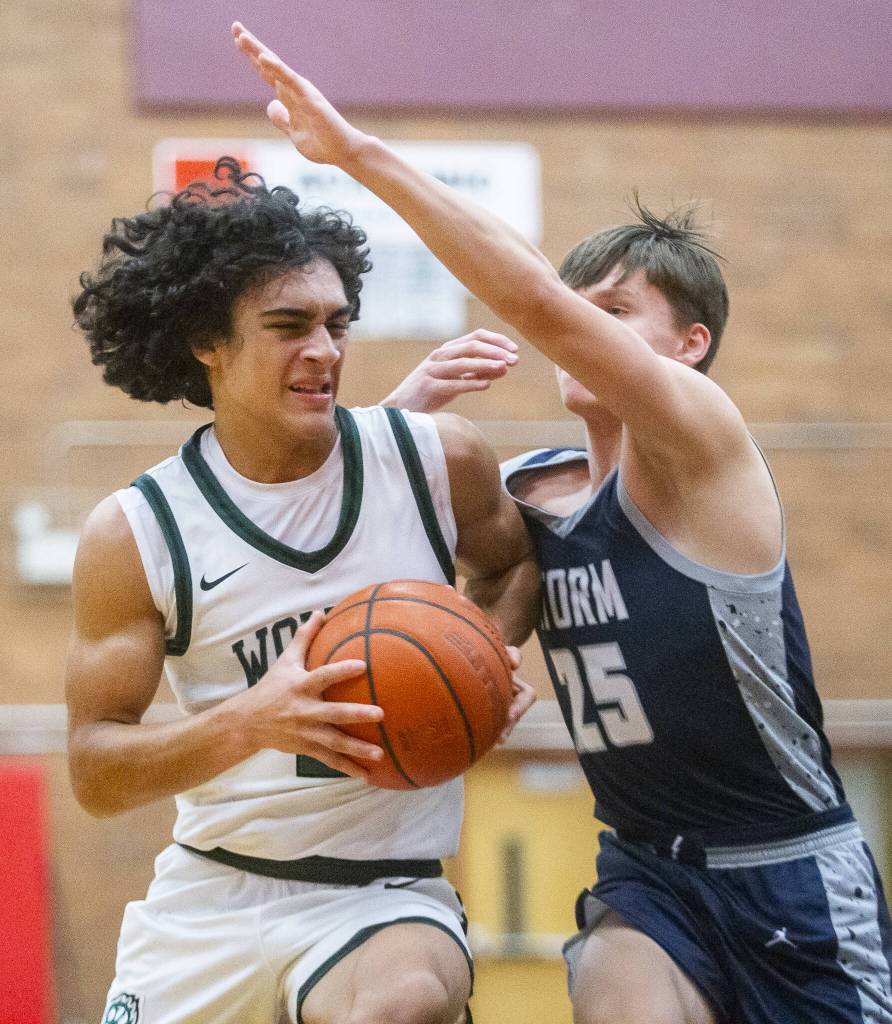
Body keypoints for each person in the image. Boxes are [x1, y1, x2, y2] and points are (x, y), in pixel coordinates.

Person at [231, 23, 892, 1024]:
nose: (579, 328)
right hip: (644, 873)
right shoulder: (535, 491)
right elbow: (386, 572)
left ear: (690, 344)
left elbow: (529, 296)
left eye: (614, 312)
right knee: (614, 991)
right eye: (580, 309)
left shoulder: (705, 445)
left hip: (785, 873)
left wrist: (356, 155)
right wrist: (400, 413)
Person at [67, 158, 539, 1024]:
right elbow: (96, 770)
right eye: (289, 325)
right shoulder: (136, 531)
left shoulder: (439, 458)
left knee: (398, 1007)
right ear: (207, 341)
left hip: (384, 894)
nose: (323, 350)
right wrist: (251, 720)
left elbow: (511, 566)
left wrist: (487, 657)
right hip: (210, 895)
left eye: (336, 323)